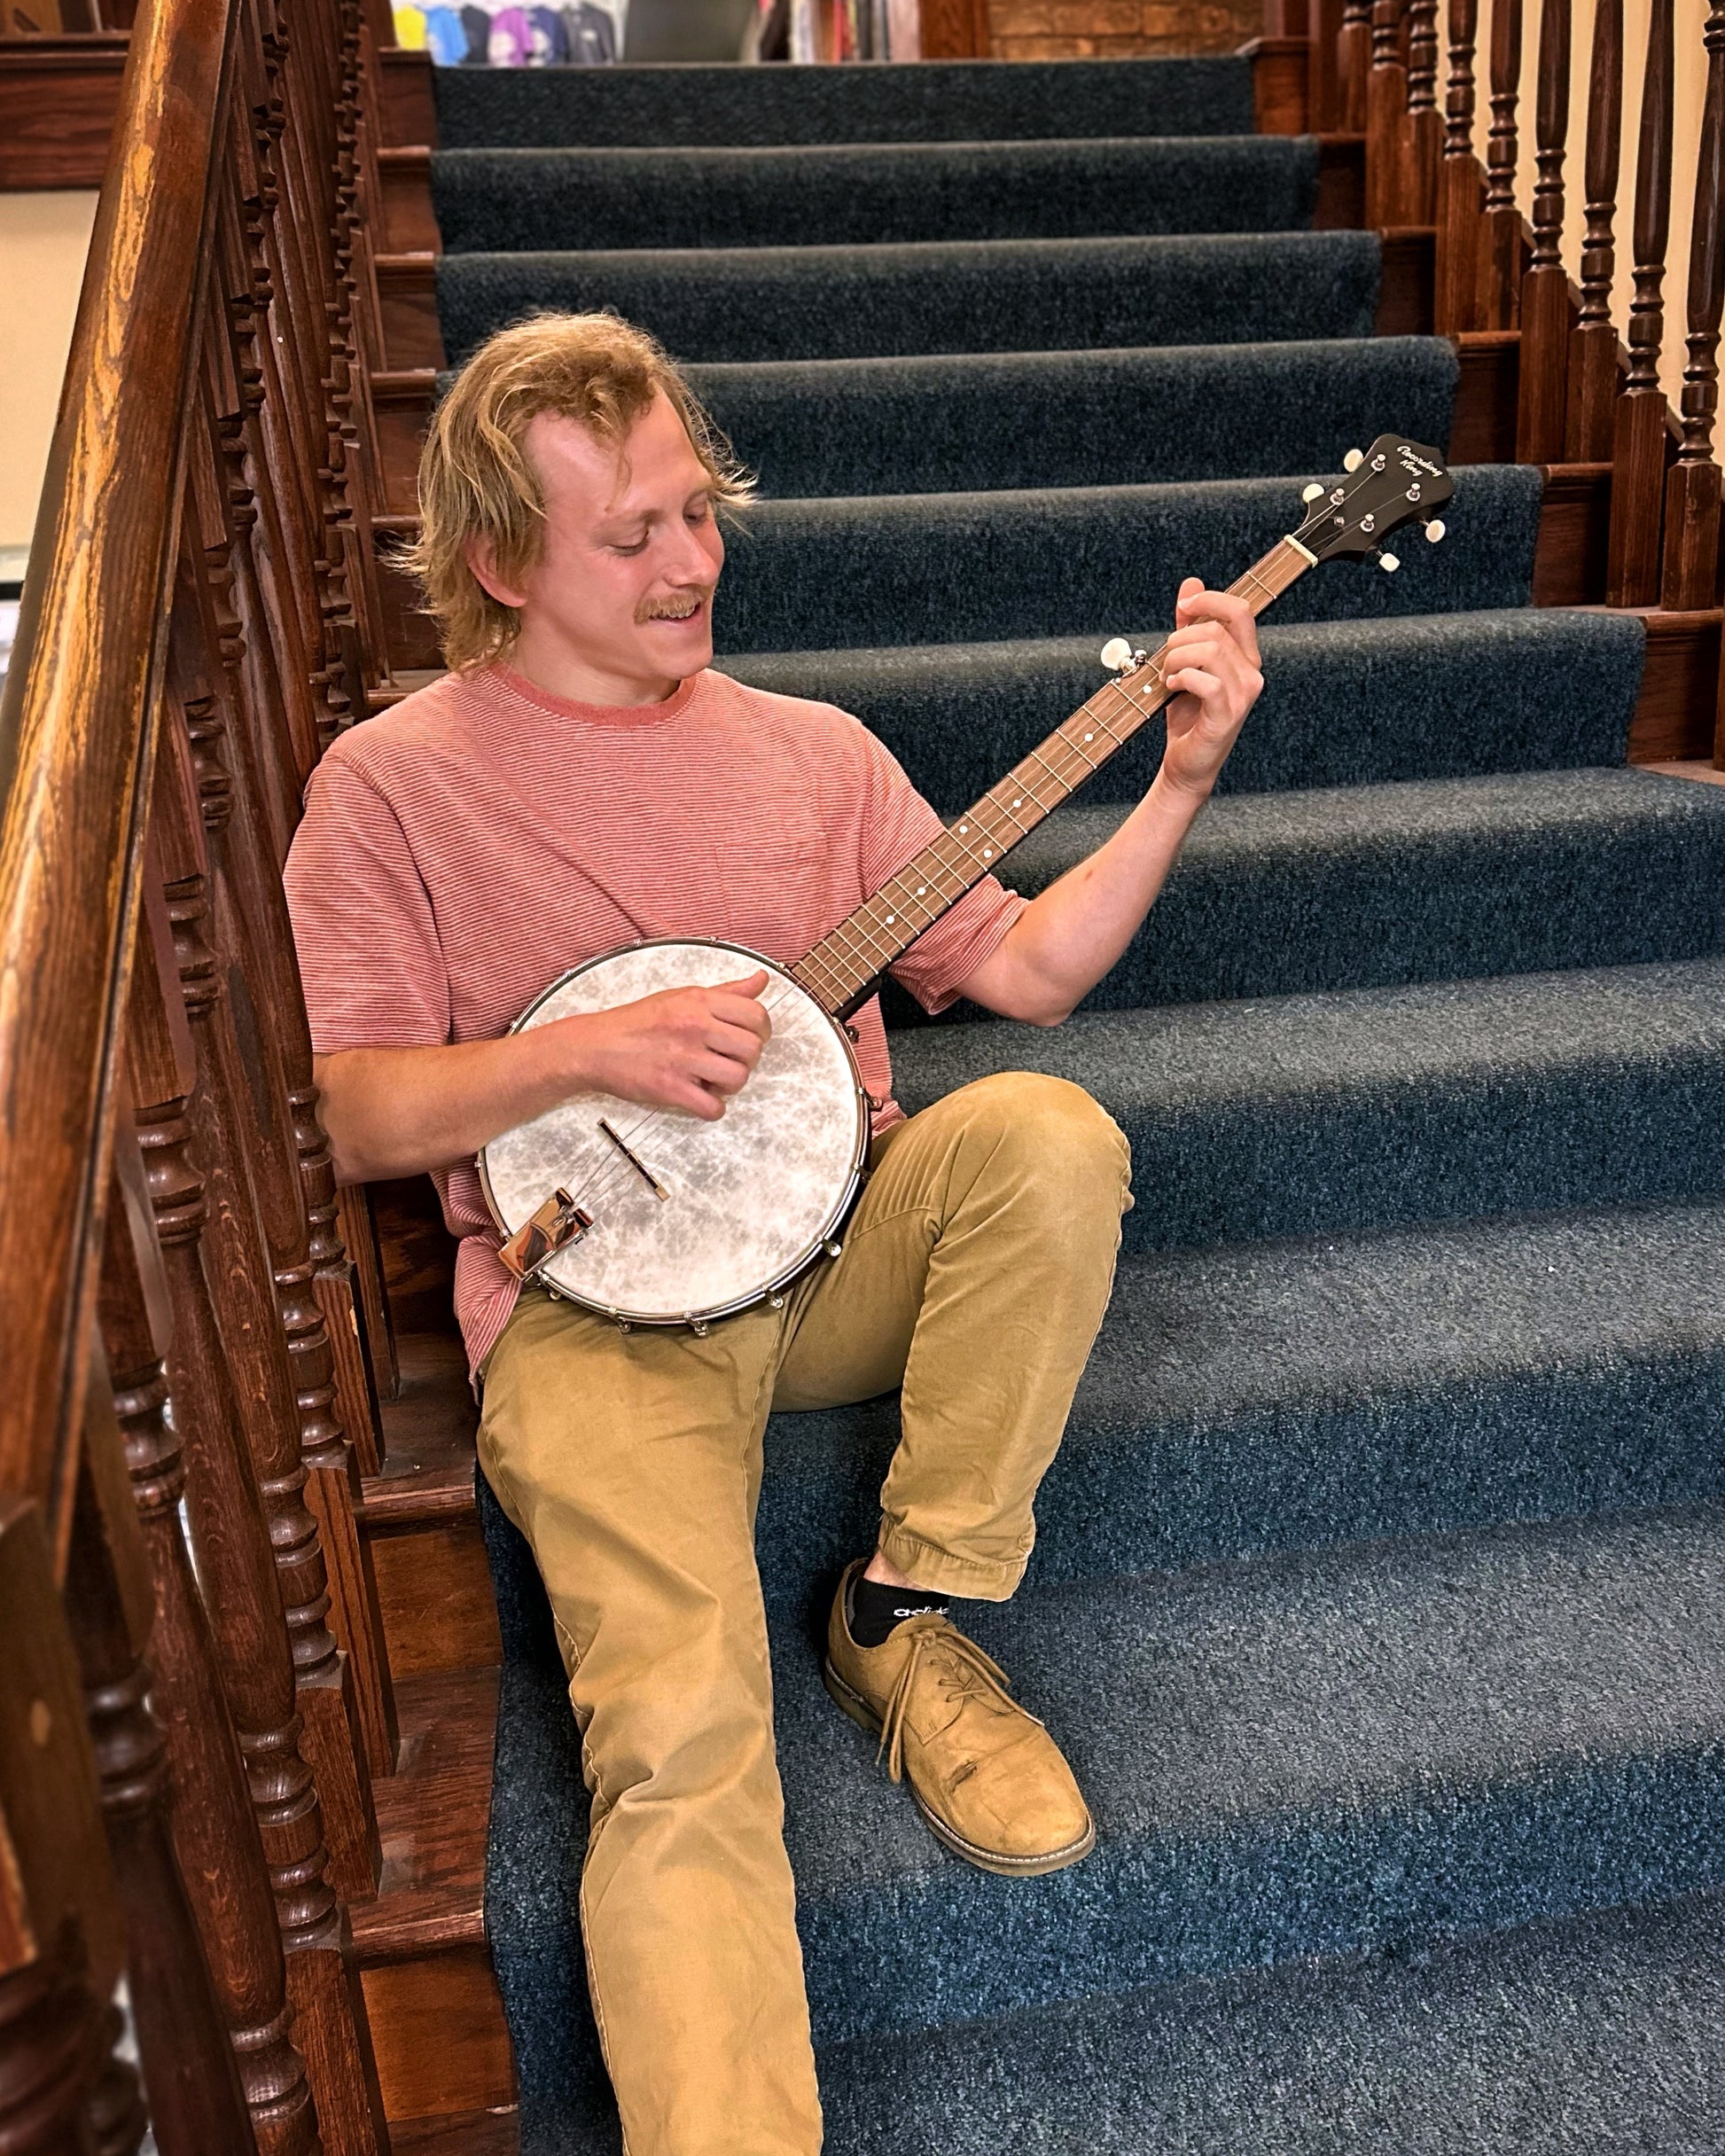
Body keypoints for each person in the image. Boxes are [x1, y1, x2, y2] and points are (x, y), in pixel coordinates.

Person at [283, 311, 1263, 2155]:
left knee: (1048, 1139)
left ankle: (903, 1616)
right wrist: (581, 1056)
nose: (690, 564)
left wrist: (1181, 780)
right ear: (500, 563)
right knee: (679, 1742)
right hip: (591, 1316)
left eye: (696, 513)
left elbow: (1030, 974)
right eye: (631, 536)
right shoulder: (390, 785)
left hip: (832, 1248)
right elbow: (350, 1110)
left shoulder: (814, 755)